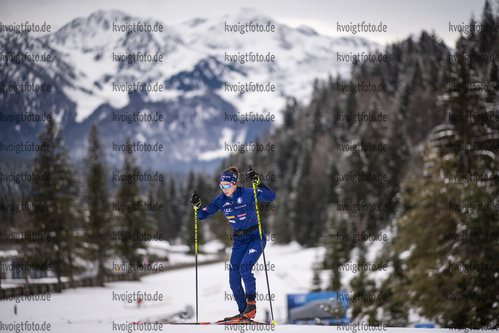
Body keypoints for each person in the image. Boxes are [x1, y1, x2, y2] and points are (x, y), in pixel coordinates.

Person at [190, 166, 276, 320]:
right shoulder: (220, 200)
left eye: (227, 186)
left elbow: (270, 196)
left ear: (235, 183)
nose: (224, 189)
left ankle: (251, 307)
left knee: (244, 268)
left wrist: (258, 182)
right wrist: (197, 206)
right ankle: (244, 312)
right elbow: (202, 216)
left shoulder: (248, 193)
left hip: (255, 238)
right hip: (239, 241)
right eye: (221, 186)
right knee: (233, 279)